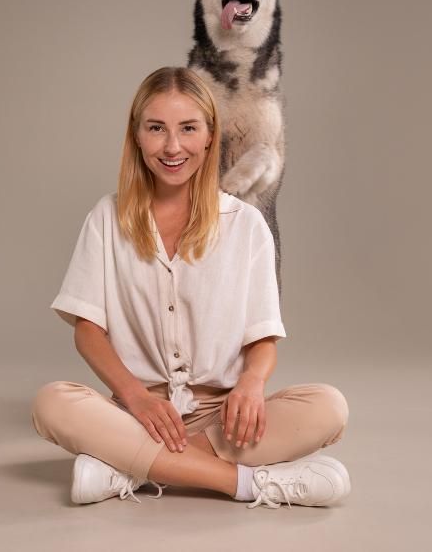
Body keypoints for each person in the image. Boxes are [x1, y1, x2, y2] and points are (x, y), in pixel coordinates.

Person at [31, 66, 351, 509]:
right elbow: (87, 330)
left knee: (328, 407)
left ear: (209, 136)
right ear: (137, 136)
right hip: (135, 415)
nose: (172, 146)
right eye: (156, 128)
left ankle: (131, 468)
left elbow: (262, 339)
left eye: (188, 128)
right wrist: (137, 398)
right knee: (51, 403)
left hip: (224, 420)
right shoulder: (106, 218)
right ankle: (246, 484)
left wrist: (251, 384)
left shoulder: (247, 226)